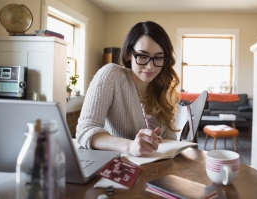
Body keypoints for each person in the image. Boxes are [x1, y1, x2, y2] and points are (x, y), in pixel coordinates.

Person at [76, 21, 180, 156]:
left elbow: (171, 140)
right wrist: (130, 146)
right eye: (143, 56)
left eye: (158, 58)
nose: (150, 67)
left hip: (154, 170)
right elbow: (85, 130)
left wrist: (158, 143)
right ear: (128, 54)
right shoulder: (111, 75)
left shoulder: (164, 89)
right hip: (118, 169)